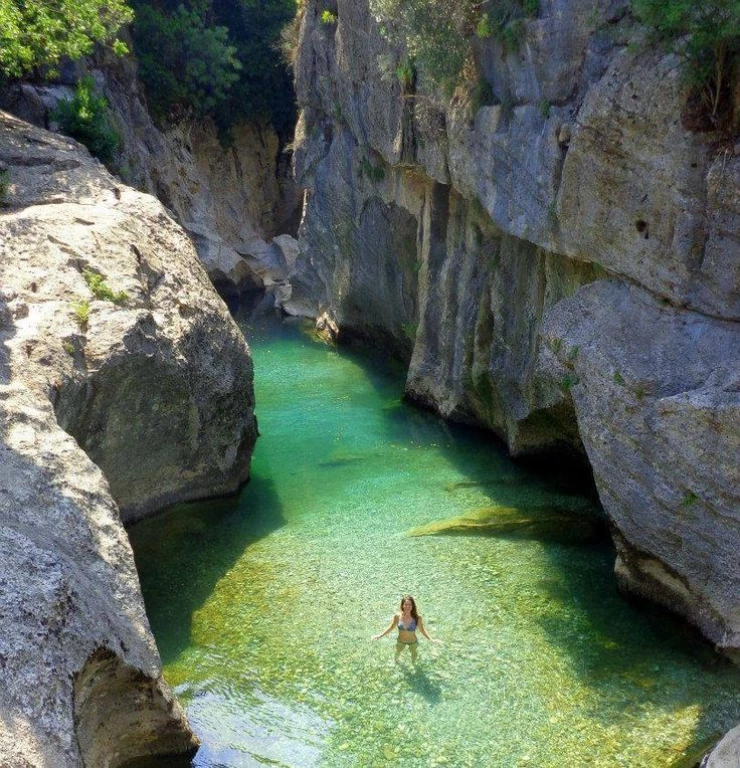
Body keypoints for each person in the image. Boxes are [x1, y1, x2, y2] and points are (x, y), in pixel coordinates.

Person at [372, 594, 440, 664]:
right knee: (397, 652)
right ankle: (396, 663)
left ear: (413, 606)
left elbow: (422, 630)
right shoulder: (397, 616)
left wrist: (431, 639)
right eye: (405, 604)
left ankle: (414, 664)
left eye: (410, 604)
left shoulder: (417, 617)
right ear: (402, 605)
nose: (407, 606)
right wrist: (380, 635)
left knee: (413, 654)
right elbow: (391, 627)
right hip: (401, 641)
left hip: (413, 642)